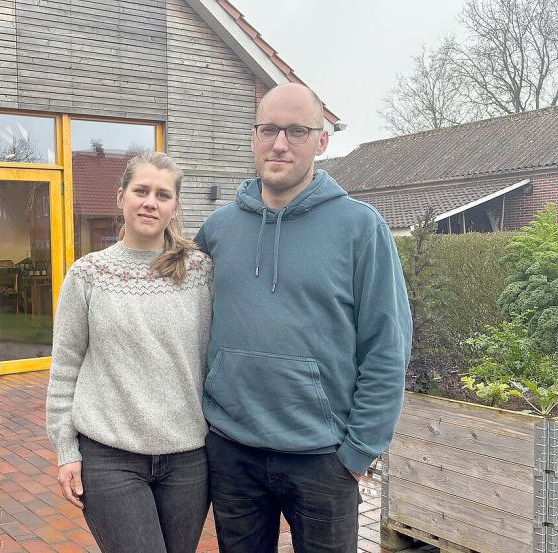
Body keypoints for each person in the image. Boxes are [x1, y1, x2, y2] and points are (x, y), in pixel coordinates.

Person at [195, 82, 412, 553]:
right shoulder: (217, 230)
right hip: (233, 451)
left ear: (322, 140)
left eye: (296, 131)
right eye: (268, 129)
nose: (279, 143)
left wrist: (357, 454)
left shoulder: (360, 228)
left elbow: (387, 346)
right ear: (253, 136)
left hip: (323, 459)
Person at [46, 151, 213, 553]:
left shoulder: (201, 271)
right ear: (121, 197)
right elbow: (65, 366)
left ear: (174, 207)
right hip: (109, 456)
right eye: (140, 190)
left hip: (188, 458)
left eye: (163, 194)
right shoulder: (87, 275)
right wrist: (65, 450)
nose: (150, 202)